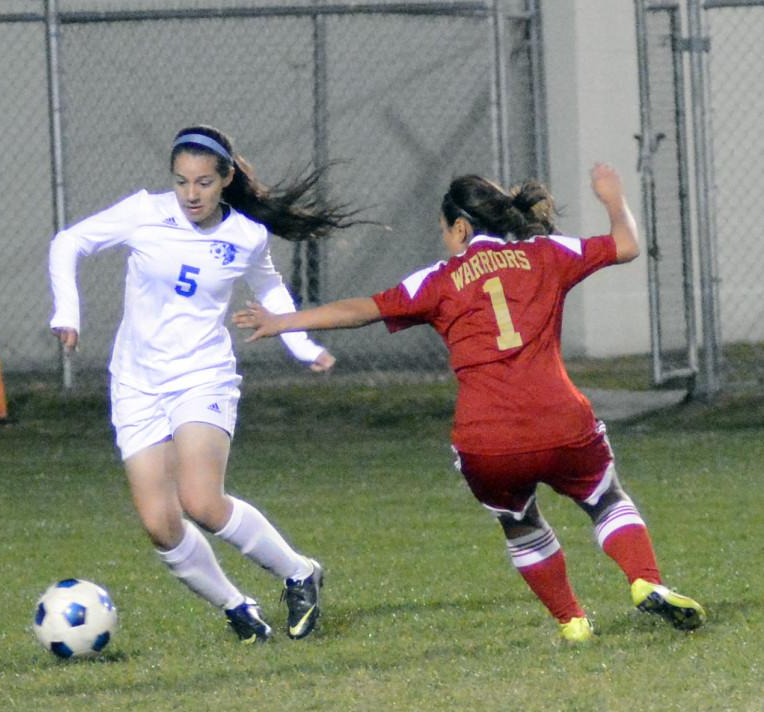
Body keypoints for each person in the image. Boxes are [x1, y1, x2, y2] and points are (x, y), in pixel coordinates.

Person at [233, 163, 706, 642]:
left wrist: (282, 322)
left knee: (519, 522)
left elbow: (362, 311)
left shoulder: (439, 280)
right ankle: (644, 579)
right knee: (605, 501)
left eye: (444, 230)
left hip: (487, 440)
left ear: (460, 228)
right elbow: (625, 246)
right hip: (560, 420)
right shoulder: (546, 253)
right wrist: (611, 197)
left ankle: (572, 621)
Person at [48, 124, 361, 643]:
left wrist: (301, 345)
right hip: (136, 382)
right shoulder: (146, 212)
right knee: (160, 524)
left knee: (201, 501)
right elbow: (69, 242)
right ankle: (237, 607)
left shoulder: (246, 234)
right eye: (182, 182)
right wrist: (67, 311)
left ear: (226, 179)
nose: (191, 194)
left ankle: (298, 572)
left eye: (203, 183)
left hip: (202, 376)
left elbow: (271, 292)